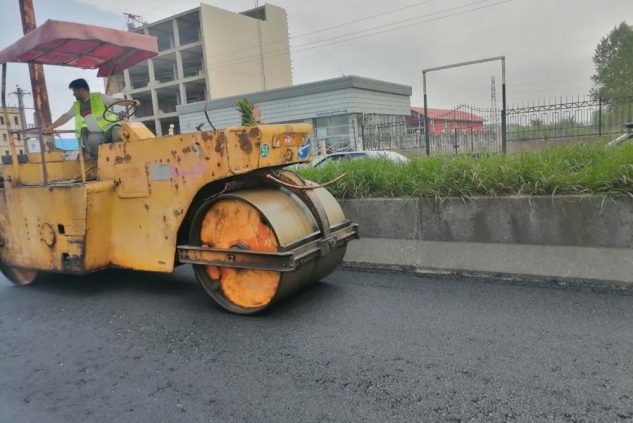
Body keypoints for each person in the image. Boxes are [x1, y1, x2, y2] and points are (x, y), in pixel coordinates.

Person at [44, 78, 140, 160]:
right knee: (92, 140)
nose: (73, 94)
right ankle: (101, 161)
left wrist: (132, 102)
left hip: (111, 128)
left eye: (74, 91)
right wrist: (51, 127)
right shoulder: (77, 105)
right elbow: (66, 117)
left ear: (81, 90)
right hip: (97, 134)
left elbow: (115, 101)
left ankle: (121, 158)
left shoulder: (98, 97)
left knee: (118, 133)